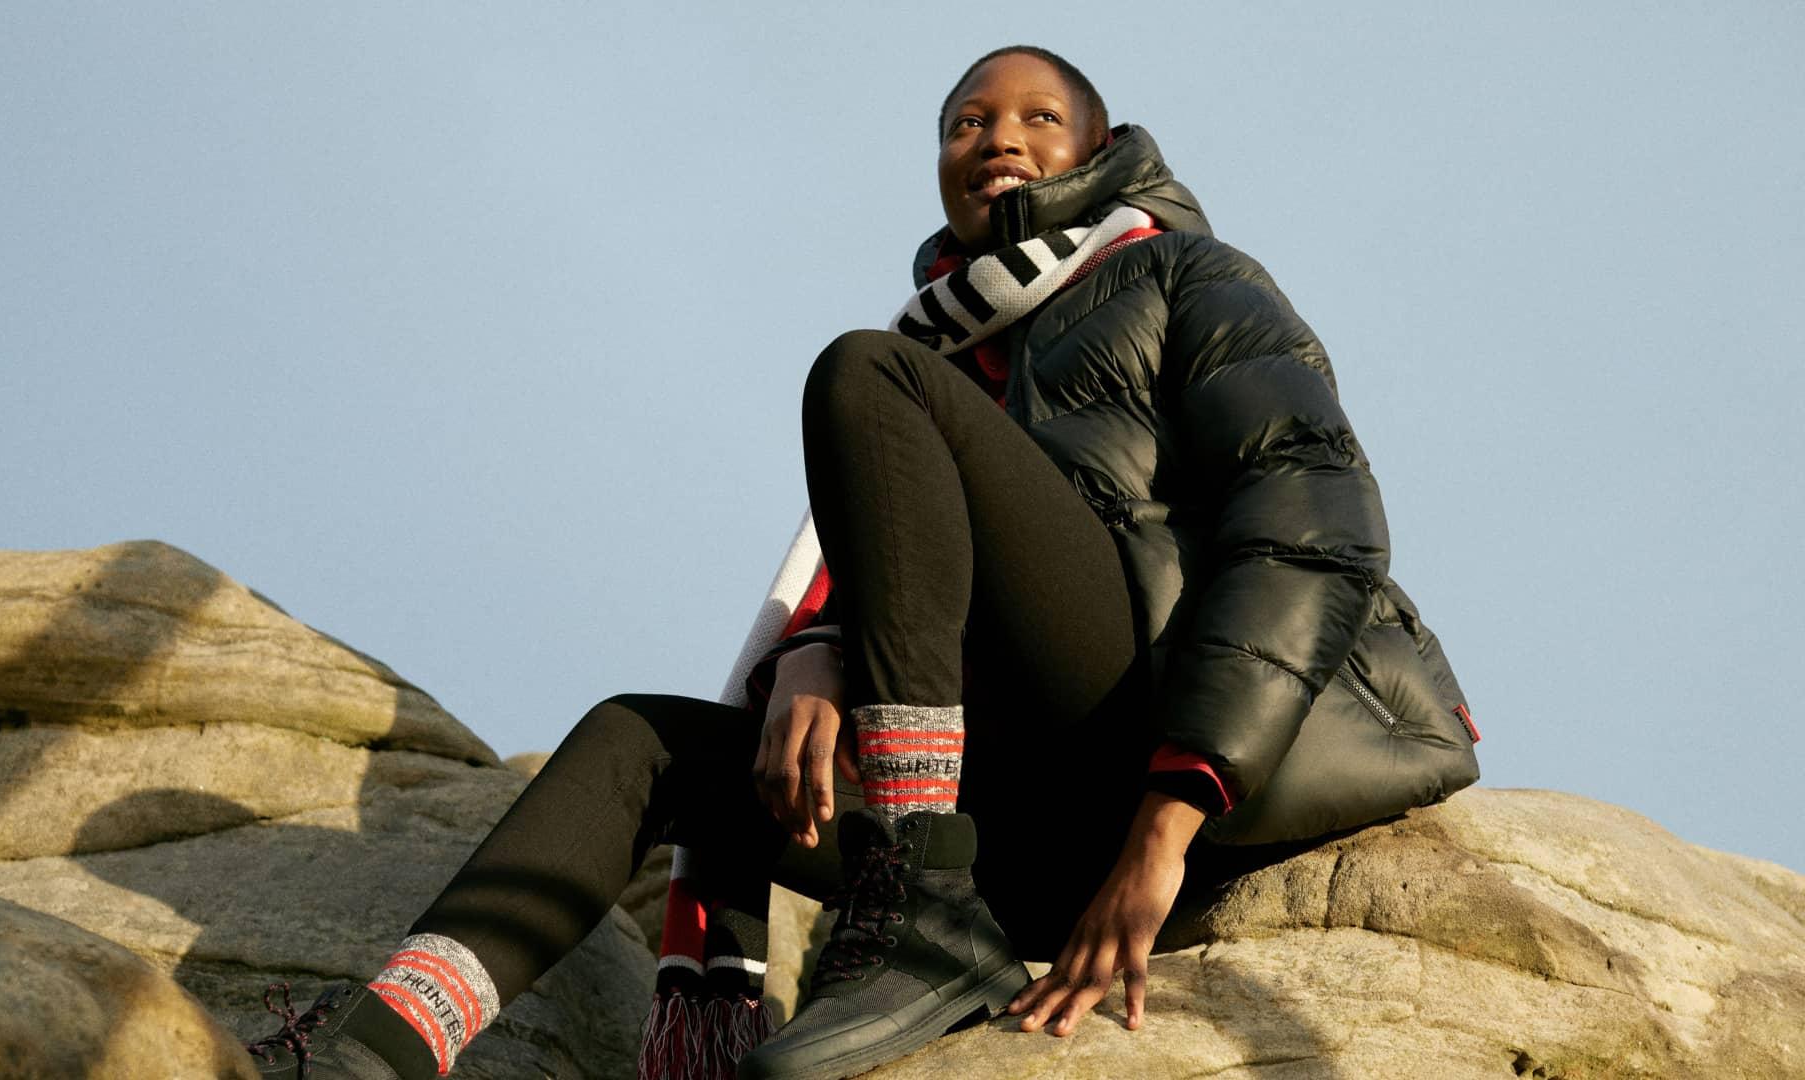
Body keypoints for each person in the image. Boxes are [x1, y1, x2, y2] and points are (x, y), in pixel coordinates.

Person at [242, 45, 1478, 1080]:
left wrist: (1172, 817)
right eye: (965, 123)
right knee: (645, 743)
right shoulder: (937, 356)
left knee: (864, 378)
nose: (998, 136)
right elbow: (912, 565)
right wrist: (819, 647)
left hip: (1158, 734)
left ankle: (915, 902)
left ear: (1101, 151)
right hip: (1018, 830)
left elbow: (1314, 522)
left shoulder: (1182, 275)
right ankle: (373, 1052)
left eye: (1039, 117)